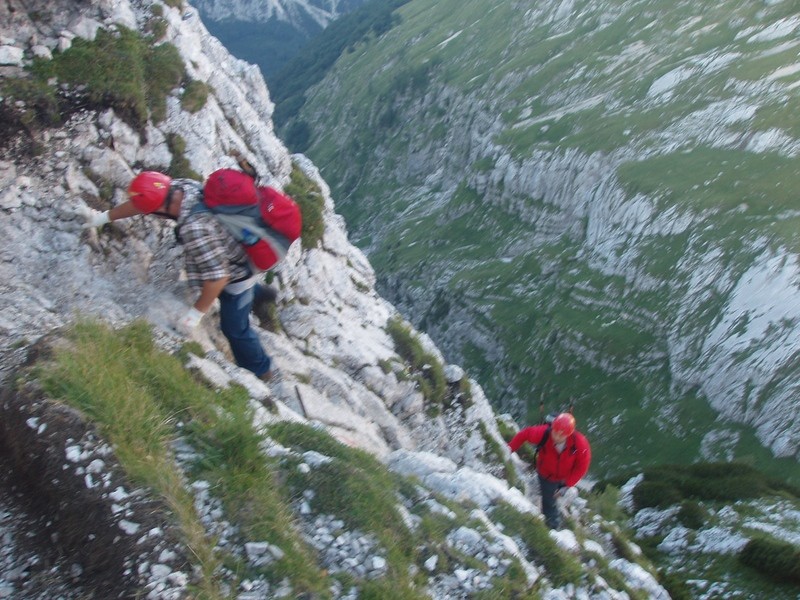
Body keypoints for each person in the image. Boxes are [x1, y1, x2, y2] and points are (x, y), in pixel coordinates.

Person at [78, 171, 275, 381]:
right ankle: (260, 294)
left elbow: (219, 278)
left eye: (151, 212)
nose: (148, 214)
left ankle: (261, 370)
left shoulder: (194, 227)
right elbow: (142, 203)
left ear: (161, 208)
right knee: (217, 282)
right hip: (232, 250)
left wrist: (195, 314)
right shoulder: (178, 186)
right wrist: (102, 217)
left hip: (240, 270)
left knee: (234, 326)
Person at [508, 412, 591, 529]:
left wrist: (566, 485)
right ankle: (552, 527)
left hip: (564, 478)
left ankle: (553, 527)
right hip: (546, 476)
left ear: (568, 434)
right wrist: (509, 449)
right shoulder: (544, 433)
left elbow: (582, 467)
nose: (556, 437)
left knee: (553, 501)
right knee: (549, 502)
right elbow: (524, 434)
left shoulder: (580, 444)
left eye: (561, 436)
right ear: (552, 428)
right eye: (555, 432)